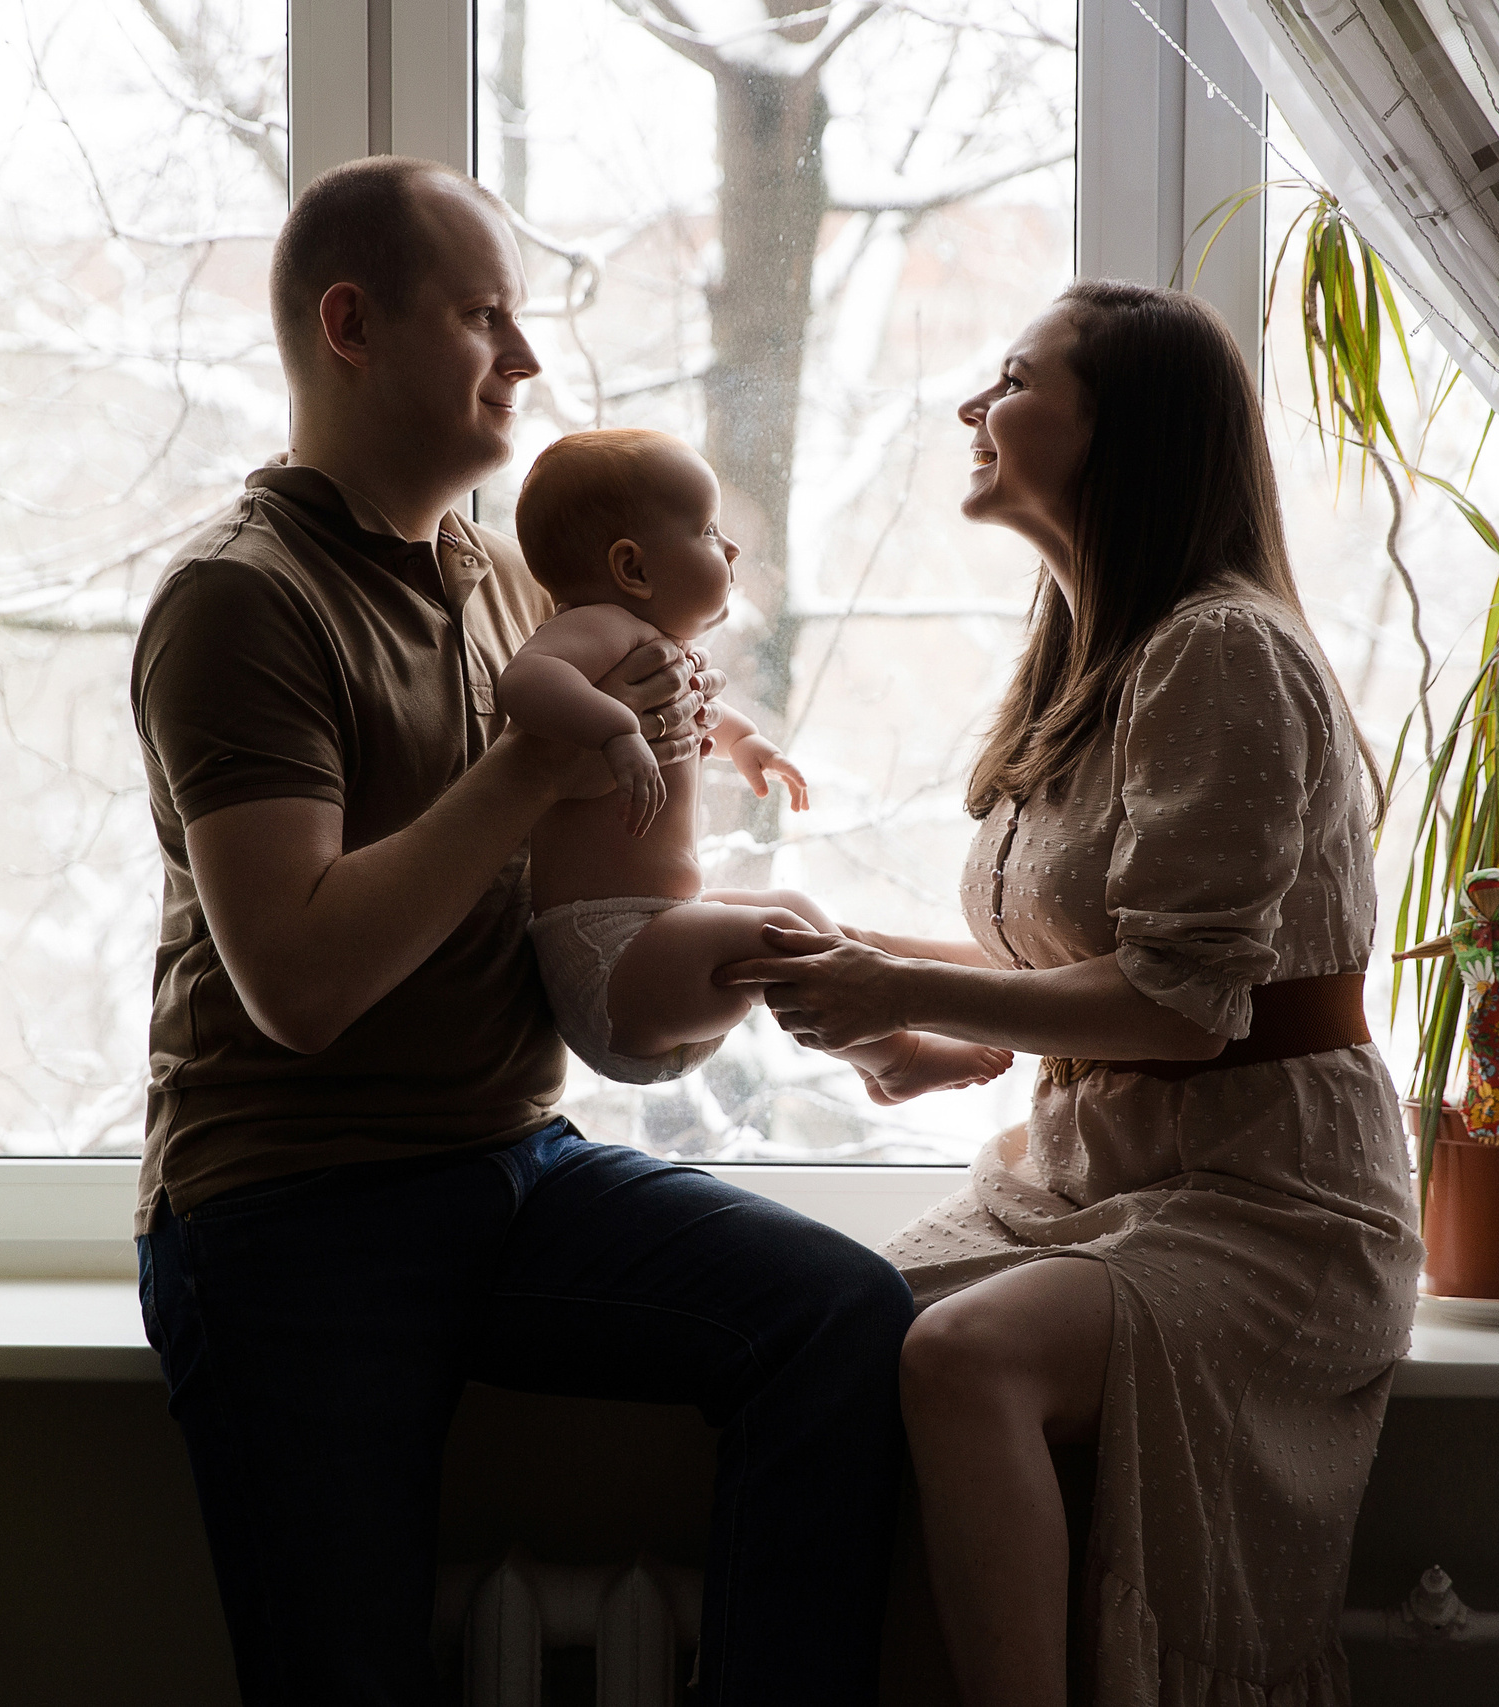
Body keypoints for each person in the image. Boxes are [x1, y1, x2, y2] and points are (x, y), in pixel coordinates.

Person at [128, 156, 915, 1705]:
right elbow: (298, 979)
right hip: (290, 1216)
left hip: (507, 1169)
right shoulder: (243, 602)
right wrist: (535, 758)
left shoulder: (501, 577)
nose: (530, 357)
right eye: (486, 315)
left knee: (841, 1320)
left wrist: (714, 941)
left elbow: (570, 893)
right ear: (351, 325)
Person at [723, 282, 1423, 1704]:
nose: (971, 409)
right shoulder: (1092, 653)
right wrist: (925, 1034)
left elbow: (1184, 1005)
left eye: (1012, 378)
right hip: (1099, 1172)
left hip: (1272, 1201)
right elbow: (1090, 959)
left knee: (967, 1352)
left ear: (1125, 429)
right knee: (830, 1325)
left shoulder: (1220, 648)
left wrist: (906, 978)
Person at [502, 427, 1014, 1102]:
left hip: (661, 937)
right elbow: (526, 680)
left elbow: (696, 719)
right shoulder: (596, 627)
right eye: (710, 530)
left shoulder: (652, 647)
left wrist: (745, 743)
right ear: (633, 569)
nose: (733, 548)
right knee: (772, 935)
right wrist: (616, 730)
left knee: (793, 910)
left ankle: (874, 1063)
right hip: (610, 958)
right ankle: (899, 1057)